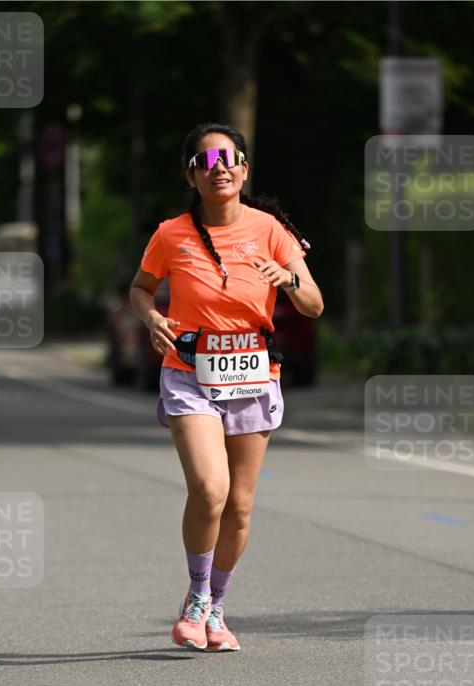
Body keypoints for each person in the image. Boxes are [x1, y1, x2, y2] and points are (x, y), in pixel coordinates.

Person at [130, 122, 323, 652]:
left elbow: (314, 304)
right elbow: (142, 289)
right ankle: (195, 599)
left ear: (243, 168)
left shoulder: (271, 230)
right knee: (209, 490)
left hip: (254, 376)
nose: (219, 170)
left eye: (228, 159)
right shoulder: (170, 233)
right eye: (206, 162)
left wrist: (291, 280)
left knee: (239, 507)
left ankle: (217, 604)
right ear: (190, 174)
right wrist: (150, 318)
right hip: (189, 372)